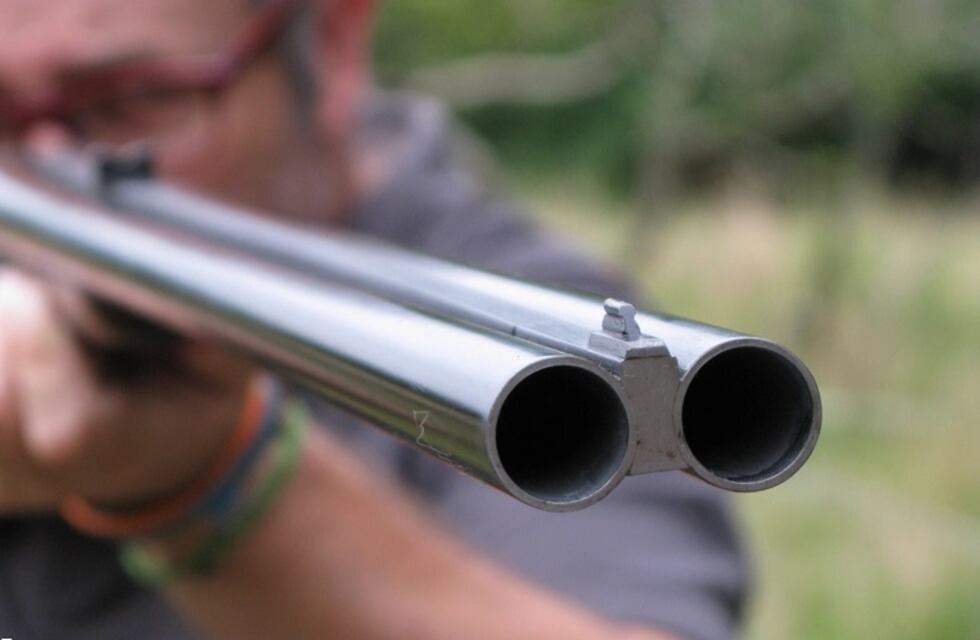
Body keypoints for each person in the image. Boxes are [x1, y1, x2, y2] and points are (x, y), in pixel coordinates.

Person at [0, 1, 748, 638]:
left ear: (330, 47)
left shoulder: (537, 344)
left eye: (127, 99)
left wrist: (207, 477)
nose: (42, 162)